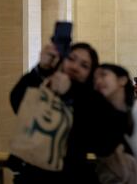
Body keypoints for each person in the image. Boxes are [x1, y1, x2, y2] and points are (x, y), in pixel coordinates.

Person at [8, 43, 127, 184]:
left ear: (90, 73)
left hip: (70, 177)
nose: (75, 67)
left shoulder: (94, 101)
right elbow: (18, 102)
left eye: (84, 65)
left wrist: (70, 92)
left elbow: (105, 143)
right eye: (71, 59)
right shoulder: (45, 86)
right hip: (30, 176)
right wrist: (42, 68)